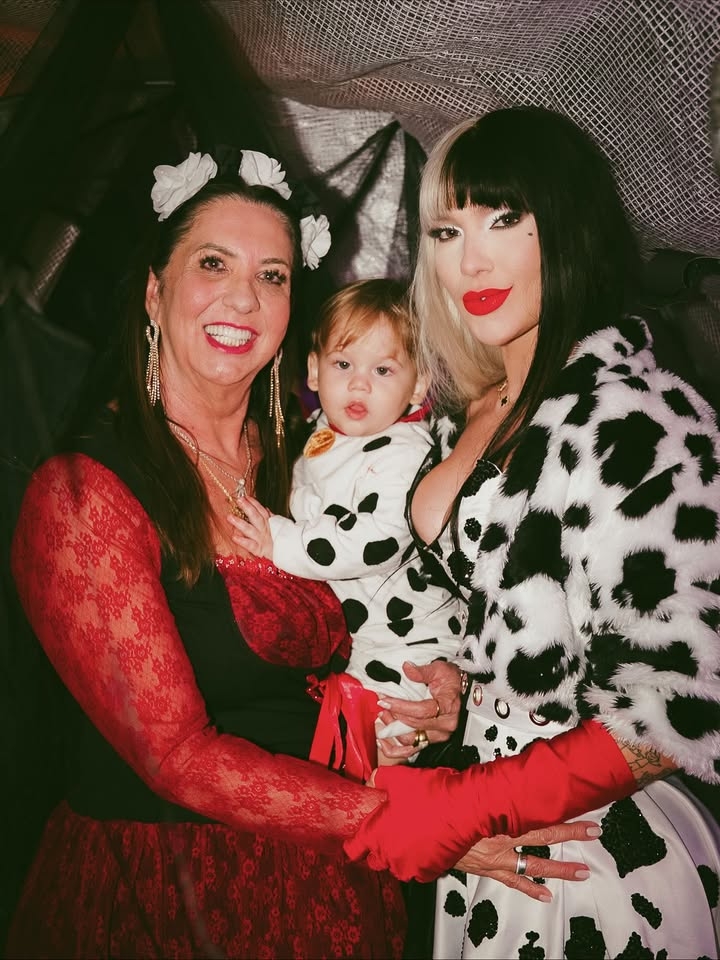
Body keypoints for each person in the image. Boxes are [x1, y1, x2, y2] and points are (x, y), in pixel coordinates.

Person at [344, 106, 720, 959]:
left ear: (569, 223)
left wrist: (467, 804)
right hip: (493, 844)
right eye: (447, 231)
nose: (470, 260)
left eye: (504, 219)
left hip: (593, 858)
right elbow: (517, 616)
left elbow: (682, 697)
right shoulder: (473, 411)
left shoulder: (636, 418)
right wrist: (461, 685)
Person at [230, 277, 464, 780]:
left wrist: (279, 540)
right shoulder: (325, 431)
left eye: (383, 370)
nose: (359, 385)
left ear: (418, 385)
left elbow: (373, 541)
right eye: (343, 365)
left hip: (411, 640)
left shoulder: (404, 453)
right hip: (365, 633)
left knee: (382, 739)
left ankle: (393, 795)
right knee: (346, 741)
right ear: (314, 371)